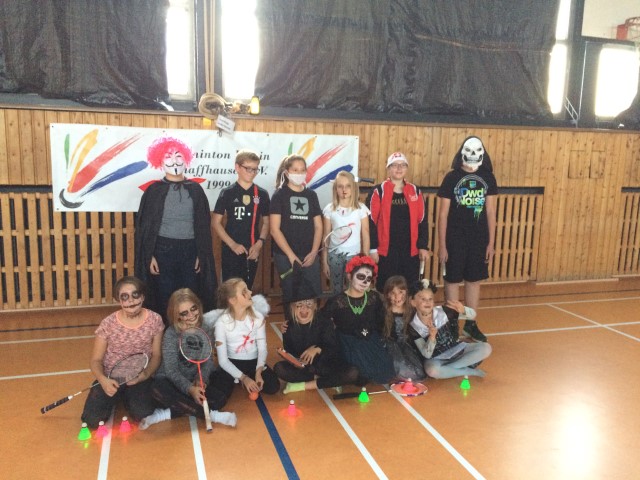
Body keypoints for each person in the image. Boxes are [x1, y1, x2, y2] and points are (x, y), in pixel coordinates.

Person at [134, 136, 218, 324]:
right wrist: (150, 255)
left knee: (190, 293)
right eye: (168, 156)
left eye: (178, 155)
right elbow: (145, 228)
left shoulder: (195, 190)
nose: (174, 161)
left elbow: (203, 226)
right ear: (160, 161)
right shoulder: (154, 191)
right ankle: (167, 333)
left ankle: (191, 331)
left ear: (186, 159)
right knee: (165, 293)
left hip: (190, 249)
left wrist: (201, 253)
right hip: (162, 250)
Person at [140, 288, 236, 430]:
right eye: (184, 313)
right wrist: (190, 389)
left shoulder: (206, 328)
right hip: (171, 381)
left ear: (198, 306)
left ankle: (168, 412)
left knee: (221, 393)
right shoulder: (171, 333)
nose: (191, 315)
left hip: (194, 379)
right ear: (176, 316)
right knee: (157, 389)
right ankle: (212, 415)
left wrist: (201, 379)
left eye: (193, 308)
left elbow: (208, 360)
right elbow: (171, 370)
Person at [81, 276, 164, 428]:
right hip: (111, 377)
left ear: (142, 297)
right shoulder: (108, 323)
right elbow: (96, 360)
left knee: (143, 414)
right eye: (124, 297)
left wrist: (145, 375)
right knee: (91, 421)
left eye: (135, 295)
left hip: (139, 377)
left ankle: (125, 397)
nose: (130, 300)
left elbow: (157, 355)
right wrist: (103, 380)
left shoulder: (155, 320)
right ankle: (117, 395)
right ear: (119, 300)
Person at [437, 136, 497, 342]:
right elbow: (443, 214)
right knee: (452, 280)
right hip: (454, 239)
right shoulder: (451, 178)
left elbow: (491, 211)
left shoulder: (488, 178)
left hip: (478, 239)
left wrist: (491, 243)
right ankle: (452, 324)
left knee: (474, 280)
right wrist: (442, 245)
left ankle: (470, 324)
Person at [274, 282, 359, 394]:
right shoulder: (288, 327)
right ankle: (328, 382)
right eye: (299, 304)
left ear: (315, 306)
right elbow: (290, 351)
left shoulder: (324, 322)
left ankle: (304, 385)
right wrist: (294, 360)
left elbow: (333, 348)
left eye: (309, 304)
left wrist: (317, 349)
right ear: (292, 306)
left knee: (352, 373)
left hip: (326, 364)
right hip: (306, 369)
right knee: (279, 368)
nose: (304, 308)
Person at [322, 255, 395, 385]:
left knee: (386, 373)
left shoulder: (374, 298)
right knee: (357, 375)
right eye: (360, 277)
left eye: (368, 279)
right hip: (346, 343)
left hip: (369, 339)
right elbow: (321, 321)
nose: (365, 282)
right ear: (349, 276)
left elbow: (380, 322)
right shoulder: (336, 301)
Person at [366, 152, 430, 291]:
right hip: (386, 252)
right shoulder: (378, 191)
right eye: (395, 165)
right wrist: (372, 248)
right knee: (385, 288)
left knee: (410, 288)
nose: (399, 168)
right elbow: (370, 222)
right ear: (388, 169)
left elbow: (422, 221)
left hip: (410, 251)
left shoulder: (415, 191)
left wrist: (423, 246)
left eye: (403, 165)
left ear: (407, 168)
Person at [206, 278, 280, 398]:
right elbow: (223, 361)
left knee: (273, 386)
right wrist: (244, 378)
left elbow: (262, 349)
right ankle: (237, 377)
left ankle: (245, 376)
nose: (250, 292)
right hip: (231, 361)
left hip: (253, 361)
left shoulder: (258, 318)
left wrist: (258, 371)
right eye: (244, 291)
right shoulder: (221, 323)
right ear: (232, 300)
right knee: (218, 395)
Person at [407, 279, 491, 379]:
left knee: (486, 348)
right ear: (413, 302)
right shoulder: (413, 326)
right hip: (437, 358)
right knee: (431, 370)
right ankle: (469, 371)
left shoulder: (444, 312)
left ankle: (449, 369)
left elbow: (472, 315)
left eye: (430, 299)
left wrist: (463, 310)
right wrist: (432, 337)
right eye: (423, 299)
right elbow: (427, 355)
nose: (427, 302)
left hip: (456, 349)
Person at [212, 149, 270, 289]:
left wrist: (259, 244)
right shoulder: (227, 192)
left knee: (246, 289)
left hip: (252, 250)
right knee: (230, 291)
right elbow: (215, 222)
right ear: (237, 167)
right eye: (248, 168)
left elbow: (267, 222)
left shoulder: (261, 193)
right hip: (231, 249)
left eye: (255, 169)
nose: (252, 172)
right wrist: (232, 244)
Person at [270, 154, 323, 304]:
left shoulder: (311, 195)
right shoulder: (279, 195)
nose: (299, 173)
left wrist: (314, 252)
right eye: (295, 170)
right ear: (286, 172)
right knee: (291, 297)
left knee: (312, 298)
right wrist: (291, 256)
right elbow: (274, 229)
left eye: (302, 170)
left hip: (309, 256)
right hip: (285, 257)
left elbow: (318, 226)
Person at [322, 171, 370, 296]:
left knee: (353, 289)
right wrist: (324, 261)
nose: (344, 190)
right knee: (336, 290)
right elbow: (326, 236)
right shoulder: (330, 209)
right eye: (340, 186)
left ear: (353, 188)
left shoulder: (361, 209)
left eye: (348, 186)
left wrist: (365, 259)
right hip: (334, 255)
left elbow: (365, 235)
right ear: (335, 188)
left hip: (354, 256)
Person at [381, 276, 426, 381]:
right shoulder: (383, 311)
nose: (397, 297)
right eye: (393, 293)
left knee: (419, 371)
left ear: (406, 292)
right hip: (389, 345)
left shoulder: (411, 310)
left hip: (406, 344)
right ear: (387, 295)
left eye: (401, 292)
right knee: (401, 366)